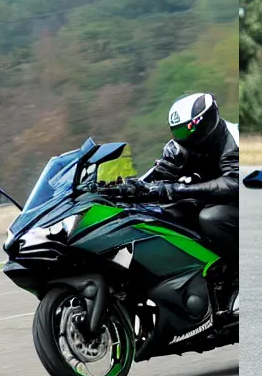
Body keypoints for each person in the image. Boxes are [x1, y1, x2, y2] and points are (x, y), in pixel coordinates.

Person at [102, 92, 241, 257]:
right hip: (221, 201)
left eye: (187, 130)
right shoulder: (187, 146)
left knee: (211, 218)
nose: (183, 138)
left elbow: (234, 184)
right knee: (167, 211)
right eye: (178, 132)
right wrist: (133, 188)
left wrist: (177, 189)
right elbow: (158, 182)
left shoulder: (234, 140)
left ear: (205, 121)